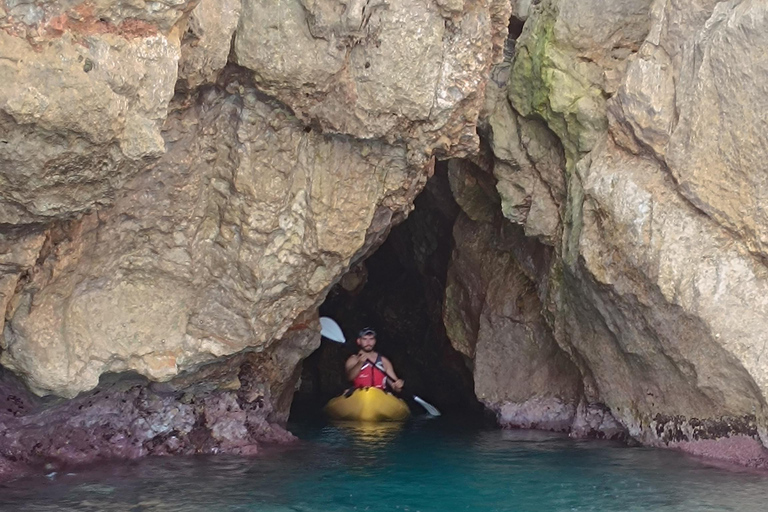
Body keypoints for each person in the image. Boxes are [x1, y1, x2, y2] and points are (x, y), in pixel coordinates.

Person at [345, 327, 404, 393]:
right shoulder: (353, 359)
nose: (368, 342)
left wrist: (398, 385)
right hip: (359, 395)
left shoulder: (384, 361)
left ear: (375, 341)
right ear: (359, 341)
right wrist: (360, 363)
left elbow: (396, 387)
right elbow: (349, 378)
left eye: (371, 339)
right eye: (364, 339)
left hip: (380, 396)